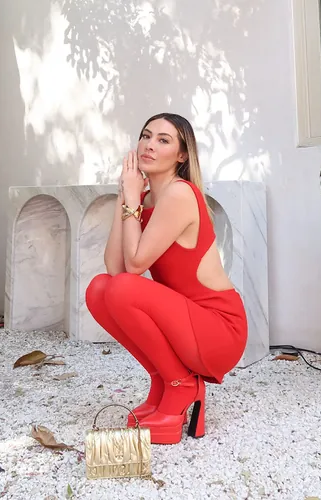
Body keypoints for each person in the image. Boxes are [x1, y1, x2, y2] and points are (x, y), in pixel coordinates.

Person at [85, 113, 248, 445]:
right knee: (99, 289)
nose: (149, 145)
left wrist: (132, 201)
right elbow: (115, 269)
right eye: (146, 136)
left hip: (218, 330)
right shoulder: (145, 200)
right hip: (185, 324)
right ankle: (163, 381)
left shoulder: (180, 194)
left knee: (123, 287)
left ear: (182, 155)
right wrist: (125, 197)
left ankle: (181, 385)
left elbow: (134, 268)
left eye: (163, 140)